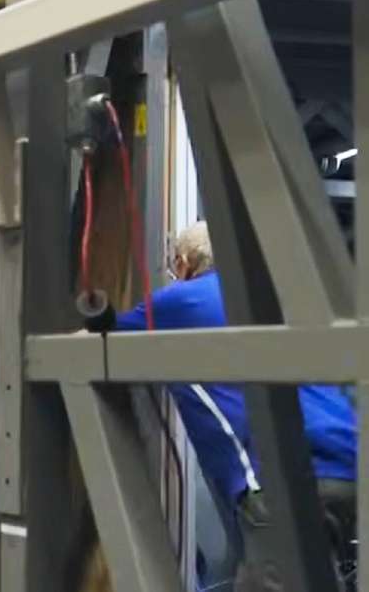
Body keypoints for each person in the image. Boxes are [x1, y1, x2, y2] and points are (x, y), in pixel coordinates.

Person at [90, 221, 357, 592]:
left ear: (183, 263)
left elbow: (99, 350)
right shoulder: (277, 297)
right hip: (350, 468)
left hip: (284, 478)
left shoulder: (182, 300)